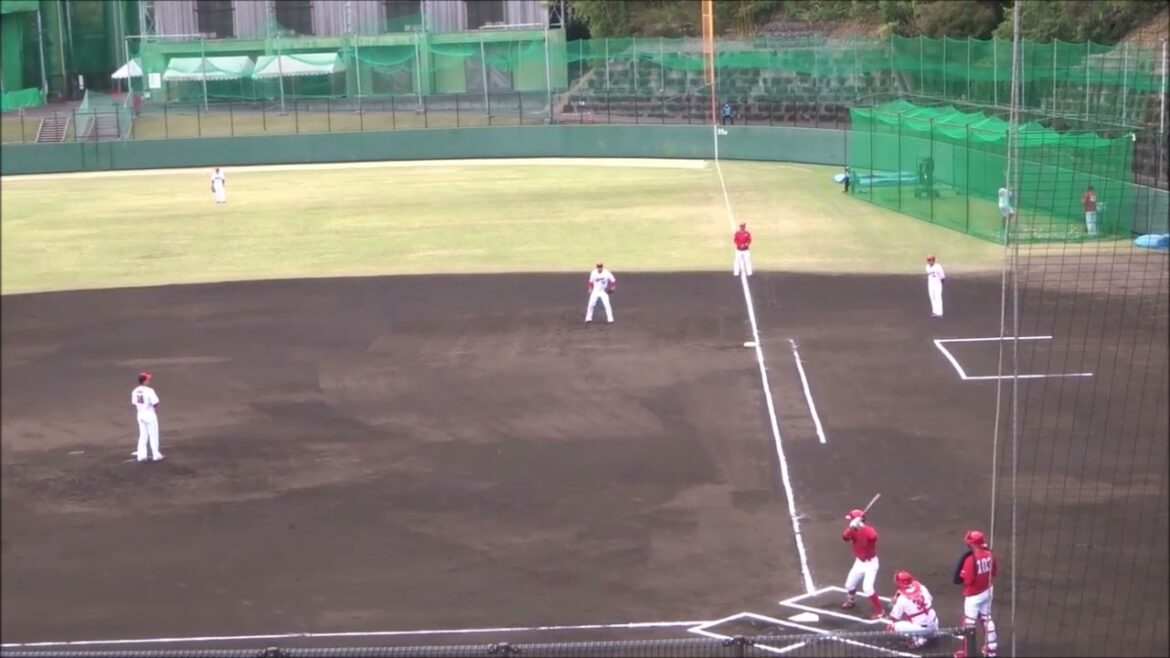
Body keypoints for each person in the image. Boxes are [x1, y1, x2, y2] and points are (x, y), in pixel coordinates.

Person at [952, 529, 999, 658]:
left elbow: (967, 580)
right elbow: (994, 573)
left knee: (968, 623)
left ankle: (966, 652)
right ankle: (991, 649)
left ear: (972, 543)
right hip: (988, 590)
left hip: (974, 596)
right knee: (986, 618)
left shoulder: (970, 559)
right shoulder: (990, 554)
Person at [841, 509, 884, 619]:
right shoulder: (853, 529)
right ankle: (851, 601)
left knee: (867, 588)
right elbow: (845, 537)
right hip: (859, 562)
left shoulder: (869, 530)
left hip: (871, 564)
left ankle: (880, 610)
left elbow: (873, 537)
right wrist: (851, 528)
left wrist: (861, 526)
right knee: (849, 585)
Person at [886, 571, 939, 649]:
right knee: (917, 614)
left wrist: (895, 602)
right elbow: (930, 599)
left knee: (891, 627)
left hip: (923, 630)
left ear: (901, 583)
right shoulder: (921, 587)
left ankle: (920, 639)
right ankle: (931, 633)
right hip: (935, 624)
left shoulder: (902, 599)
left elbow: (894, 617)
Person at [131, 371, 163, 462]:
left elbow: (133, 404)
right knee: (153, 435)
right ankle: (156, 455)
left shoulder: (135, 391)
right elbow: (155, 404)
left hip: (140, 414)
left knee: (143, 435)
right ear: (144, 381)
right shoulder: (149, 391)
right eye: (147, 379)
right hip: (149, 414)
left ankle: (141, 456)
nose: (149, 381)